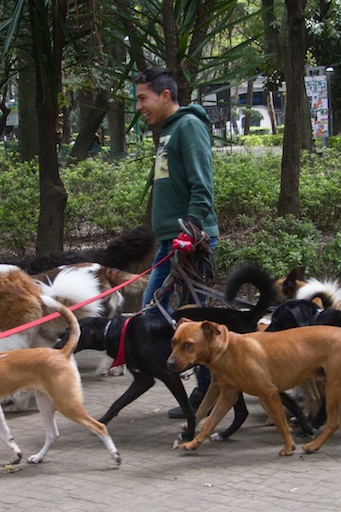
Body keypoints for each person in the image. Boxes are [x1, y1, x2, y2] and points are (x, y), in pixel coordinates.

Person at [135, 67, 219, 418]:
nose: (139, 106)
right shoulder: (169, 132)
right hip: (172, 243)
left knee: (182, 320)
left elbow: (203, 185)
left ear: (165, 96)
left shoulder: (189, 127)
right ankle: (202, 389)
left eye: (143, 98)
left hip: (188, 245)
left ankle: (206, 391)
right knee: (165, 317)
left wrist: (192, 228)